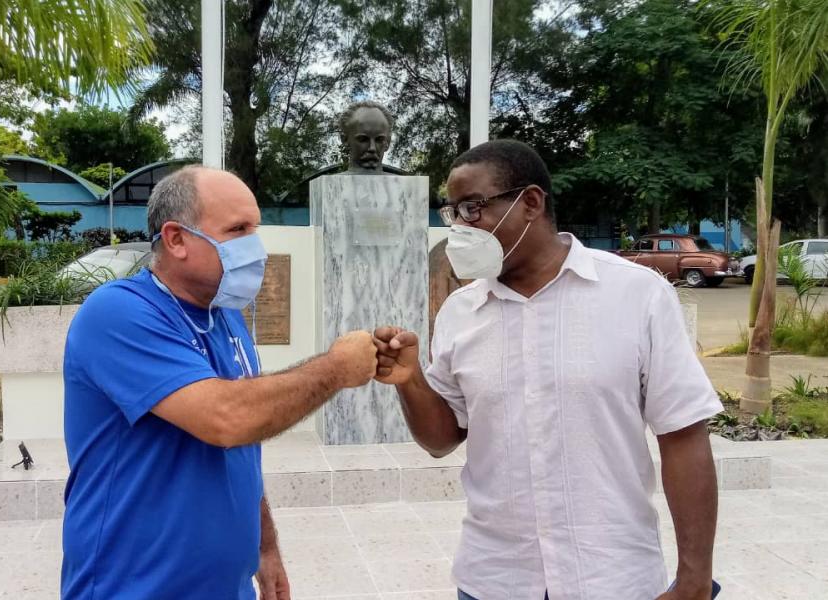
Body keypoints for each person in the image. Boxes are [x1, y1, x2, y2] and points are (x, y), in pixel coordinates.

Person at [373, 140, 721, 600]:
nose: (460, 227)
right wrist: (410, 378)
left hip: (611, 578)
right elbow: (440, 440)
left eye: (473, 208)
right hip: (494, 580)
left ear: (531, 203)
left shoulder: (636, 294)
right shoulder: (460, 312)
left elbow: (684, 436)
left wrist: (694, 580)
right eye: (452, 212)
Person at [61, 165, 378, 599]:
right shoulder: (118, 314)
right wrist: (337, 368)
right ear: (175, 239)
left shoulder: (225, 316)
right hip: (134, 586)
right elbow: (228, 417)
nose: (256, 246)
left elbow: (243, 446)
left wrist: (265, 548)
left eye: (255, 228)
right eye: (238, 229)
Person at [338, 101, 394, 174]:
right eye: (363, 139)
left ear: (388, 142)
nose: (372, 148)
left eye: (379, 140)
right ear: (345, 140)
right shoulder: (324, 184)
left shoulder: (405, 184)